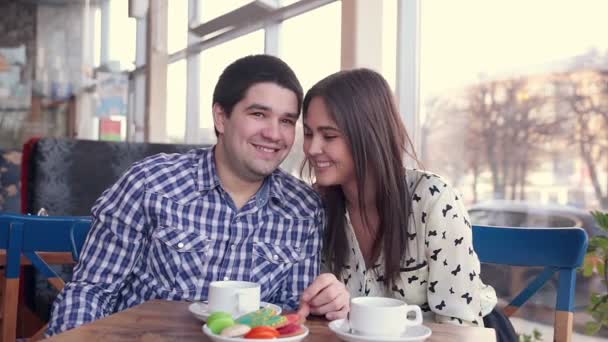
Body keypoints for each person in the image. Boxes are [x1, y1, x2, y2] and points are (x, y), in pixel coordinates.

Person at [48, 55, 325, 336]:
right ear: (221, 117)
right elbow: (92, 292)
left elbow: (293, 316)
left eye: (287, 121)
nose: (274, 134)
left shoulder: (304, 210)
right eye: (258, 114)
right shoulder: (150, 183)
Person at [296, 69, 517, 341]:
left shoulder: (433, 200)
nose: (312, 148)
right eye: (308, 133)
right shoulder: (316, 207)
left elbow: (459, 326)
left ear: (368, 134)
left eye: (329, 136)